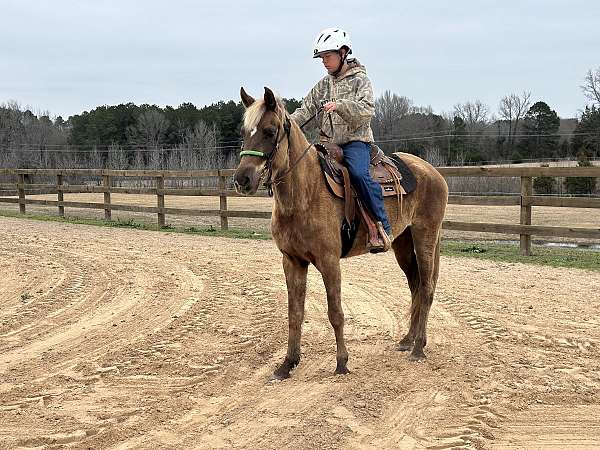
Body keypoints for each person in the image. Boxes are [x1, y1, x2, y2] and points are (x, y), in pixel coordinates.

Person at [290, 27, 393, 252]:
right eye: (322, 58)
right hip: (328, 144)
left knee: (358, 174)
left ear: (343, 52)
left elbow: (366, 111)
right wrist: (285, 125)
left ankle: (382, 226)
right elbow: (305, 110)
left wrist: (340, 106)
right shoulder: (323, 85)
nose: (324, 62)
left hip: (356, 141)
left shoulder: (361, 81)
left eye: (328, 56)